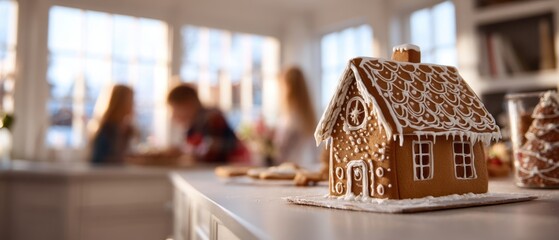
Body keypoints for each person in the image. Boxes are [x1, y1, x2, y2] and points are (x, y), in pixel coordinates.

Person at [167, 83, 249, 164]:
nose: (173, 116)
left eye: (175, 109)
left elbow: (219, 150)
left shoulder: (213, 119)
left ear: (188, 104)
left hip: (221, 169)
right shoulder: (193, 126)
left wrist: (188, 154)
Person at [273, 66, 319, 168]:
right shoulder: (308, 117)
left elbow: (280, 152)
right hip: (310, 167)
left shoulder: (291, 119)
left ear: (289, 88)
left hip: (292, 170)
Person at [88, 84, 135, 164]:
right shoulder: (105, 129)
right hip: (106, 175)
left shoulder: (127, 129)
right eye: (130, 100)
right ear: (119, 102)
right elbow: (99, 159)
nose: (133, 104)